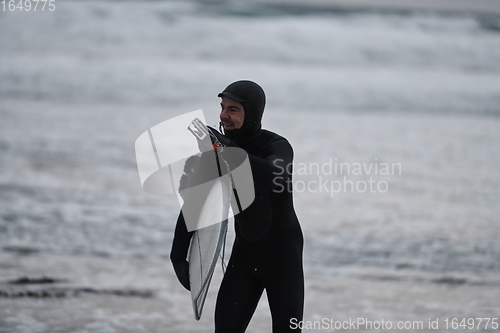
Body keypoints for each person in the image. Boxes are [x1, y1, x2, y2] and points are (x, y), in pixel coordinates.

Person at [170, 80, 304, 333]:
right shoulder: (218, 152)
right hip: (245, 254)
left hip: (283, 258)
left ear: (252, 113)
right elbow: (196, 202)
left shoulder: (276, 146)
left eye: (233, 109)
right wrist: (178, 253)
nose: (223, 115)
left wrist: (229, 150)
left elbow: (276, 173)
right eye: (222, 107)